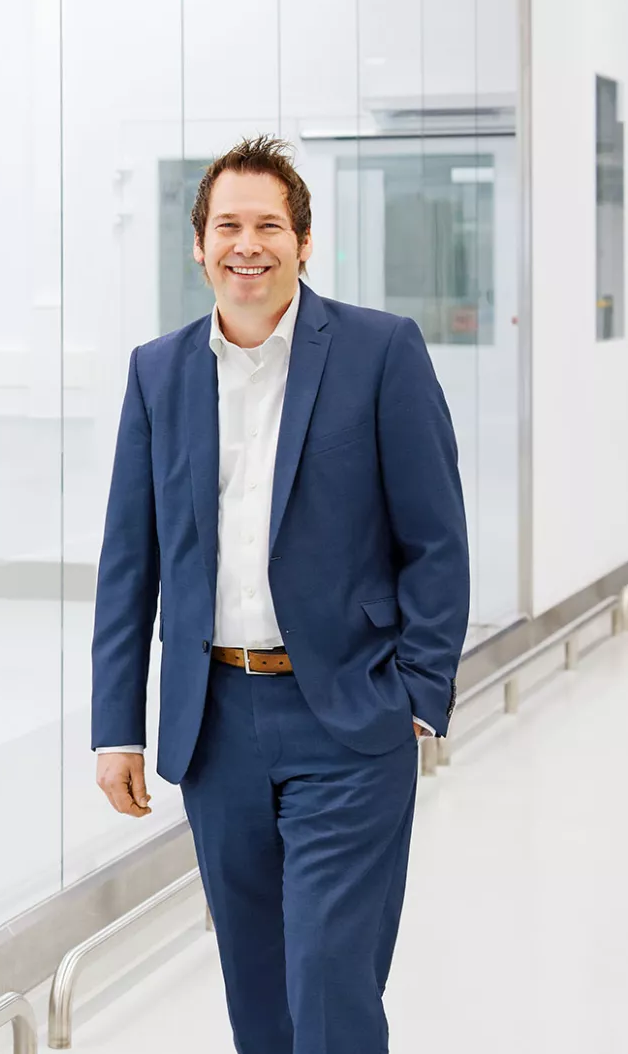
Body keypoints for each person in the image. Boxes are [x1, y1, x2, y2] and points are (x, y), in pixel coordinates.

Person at [90, 135, 469, 1054]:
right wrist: (117, 726)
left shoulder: (380, 352)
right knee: (256, 985)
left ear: (305, 242)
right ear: (199, 245)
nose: (246, 245)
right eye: (228, 225)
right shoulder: (158, 371)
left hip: (346, 714)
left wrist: (417, 695)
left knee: (331, 977)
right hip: (215, 723)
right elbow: (128, 562)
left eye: (269, 225)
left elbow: (436, 537)